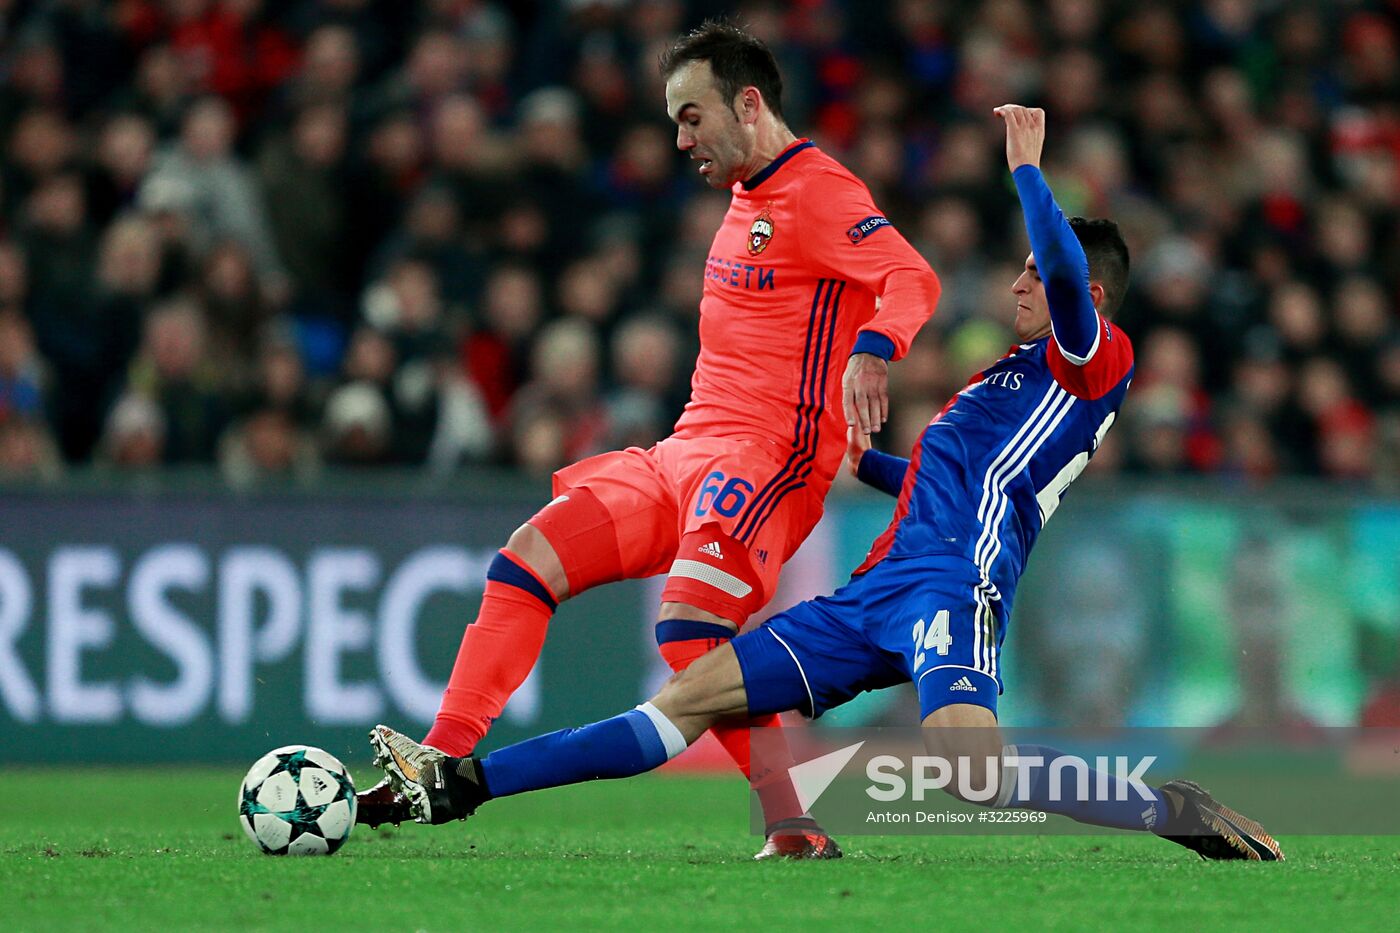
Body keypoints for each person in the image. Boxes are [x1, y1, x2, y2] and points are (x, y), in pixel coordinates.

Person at [366, 105, 1283, 863]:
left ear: (1076, 287)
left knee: (974, 773)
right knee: (688, 699)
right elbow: (941, 477)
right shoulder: (999, 381)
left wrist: (1029, 172)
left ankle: (1169, 809)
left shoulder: (1092, 362)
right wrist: (866, 465)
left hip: (952, 585)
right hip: (874, 591)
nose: (1017, 287)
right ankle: (466, 785)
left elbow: (1067, 285)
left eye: (1032, 275)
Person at [359, 20, 941, 860]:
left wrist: (876, 350)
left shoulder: (819, 190)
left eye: (693, 116)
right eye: (676, 121)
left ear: (748, 103)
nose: (681, 139)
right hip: (685, 449)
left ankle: (793, 823)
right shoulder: (748, 197)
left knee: (690, 630)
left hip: (767, 460)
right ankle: (440, 757)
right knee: (529, 557)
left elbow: (910, 275)